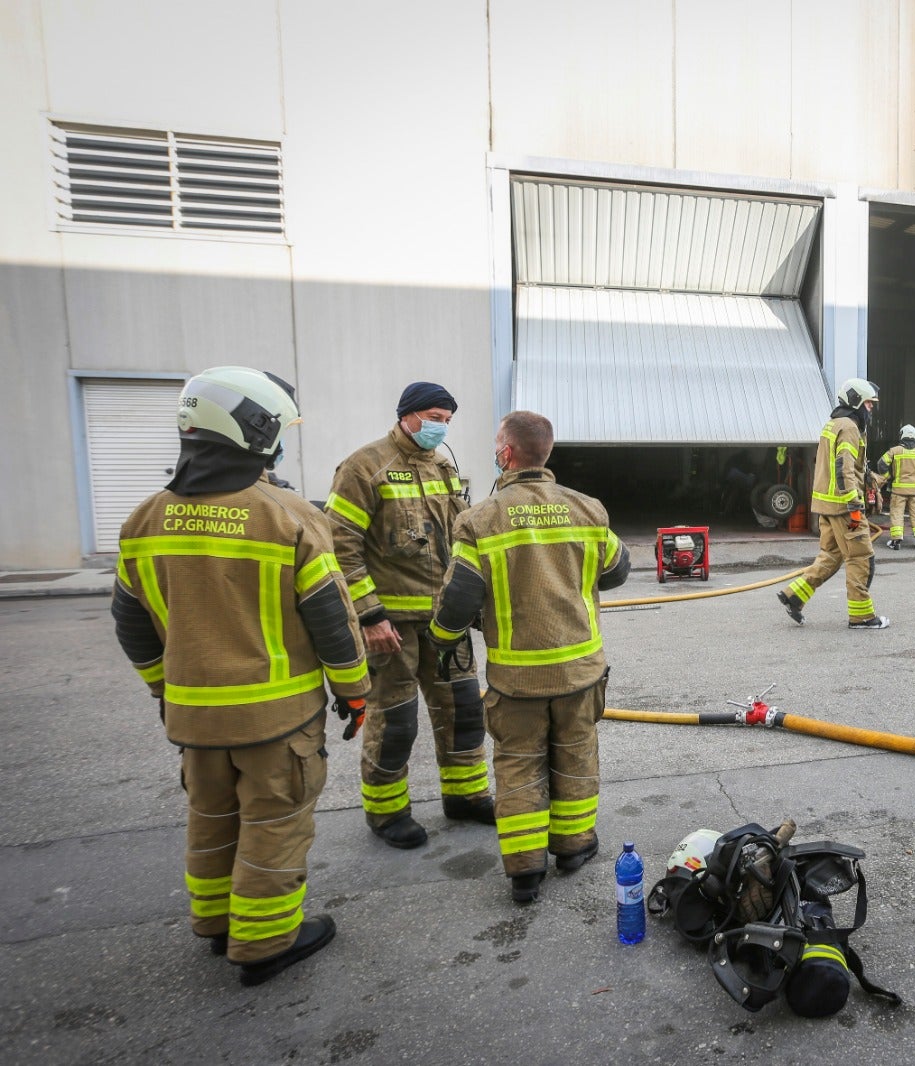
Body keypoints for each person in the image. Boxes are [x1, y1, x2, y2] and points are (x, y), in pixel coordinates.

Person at [111, 366, 368, 985]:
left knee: (211, 814)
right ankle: (265, 941)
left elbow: (131, 624)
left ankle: (215, 921)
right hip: (275, 719)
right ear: (255, 430)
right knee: (275, 822)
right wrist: (355, 693)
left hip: (193, 718)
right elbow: (333, 623)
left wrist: (162, 689)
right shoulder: (287, 516)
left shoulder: (145, 519)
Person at [428, 411, 631, 905]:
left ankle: (524, 873)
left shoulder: (480, 520)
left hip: (517, 679)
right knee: (577, 755)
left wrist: (440, 638)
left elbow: (457, 603)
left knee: (519, 764)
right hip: (581, 672)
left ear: (506, 453)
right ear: (546, 452)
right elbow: (618, 570)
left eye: (497, 445)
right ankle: (575, 846)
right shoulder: (588, 510)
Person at [324, 382, 492, 849]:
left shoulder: (443, 465)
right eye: (436, 417)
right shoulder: (364, 467)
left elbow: (460, 535)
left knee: (463, 711)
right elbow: (340, 547)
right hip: (390, 624)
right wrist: (369, 615)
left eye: (448, 421)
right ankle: (386, 812)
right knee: (397, 720)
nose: (441, 428)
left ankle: (465, 796)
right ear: (409, 415)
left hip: (445, 622)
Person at [777, 378, 890, 630]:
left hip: (826, 507)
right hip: (844, 509)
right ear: (857, 401)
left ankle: (794, 595)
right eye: (869, 404)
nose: (871, 409)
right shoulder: (849, 427)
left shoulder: (834, 423)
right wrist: (854, 503)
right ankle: (861, 617)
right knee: (861, 558)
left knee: (831, 556)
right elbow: (843, 466)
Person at [878, 424, 915, 550]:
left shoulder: (895, 451)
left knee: (897, 513)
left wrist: (887, 477)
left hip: (898, 491)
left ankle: (896, 541)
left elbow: (881, 464)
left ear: (902, 435)